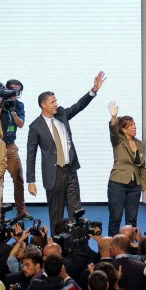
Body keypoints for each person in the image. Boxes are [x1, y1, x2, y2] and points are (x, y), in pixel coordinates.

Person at [26, 71, 106, 234]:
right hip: (53, 174)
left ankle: (78, 244)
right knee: (56, 215)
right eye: (52, 102)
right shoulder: (35, 126)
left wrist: (93, 90)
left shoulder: (61, 113)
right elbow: (31, 154)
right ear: (43, 105)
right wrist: (31, 181)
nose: (56, 104)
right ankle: (57, 247)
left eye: (56, 101)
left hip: (70, 170)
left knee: (76, 212)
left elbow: (78, 106)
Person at [106, 101, 146, 236]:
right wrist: (113, 118)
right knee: (116, 217)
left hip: (134, 186)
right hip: (118, 184)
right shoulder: (118, 141)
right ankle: (112, 246)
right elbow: (113, 131)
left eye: (135, 124)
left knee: (131, 220)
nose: (134, 127)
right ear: (124, 129)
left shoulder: (140, 144)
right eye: (131, 126)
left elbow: (142, 167)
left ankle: (129, 245)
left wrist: (145, 187)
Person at [0, 79, 27, 215]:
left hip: (10, 146)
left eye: (17, 91)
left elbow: (20, 124)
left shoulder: (19, 105)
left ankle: (21, 211)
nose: (14, 93)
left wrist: (12, 111)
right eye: (12, 90)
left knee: (19, 179)